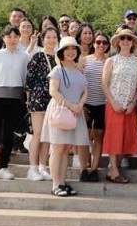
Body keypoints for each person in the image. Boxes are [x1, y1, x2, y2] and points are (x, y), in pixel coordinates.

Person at [40, 37, 90, 196]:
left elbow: (85, 91)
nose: (71, 51)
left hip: (75, 113)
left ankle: (62, 182)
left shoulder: (79, 71)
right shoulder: (57, 70)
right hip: (60, 111)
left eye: (73, 48)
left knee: (66, 148)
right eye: (67, 49)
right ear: (61, 52)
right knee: (57, 148)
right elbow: (53, 91)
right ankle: (56, 184)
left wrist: (80, 105)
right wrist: (71, 105)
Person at [0, 26, 30, 181]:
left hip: (15, 99)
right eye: (9, 36)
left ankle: (3, 166)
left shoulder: (24, 56)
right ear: (3, 38)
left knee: (9, 136)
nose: (12, 39)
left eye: (15, 36)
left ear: (19, 38)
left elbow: (25, 77)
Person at [102, 28, 137, 184]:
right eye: (122, 38)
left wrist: (134, 102)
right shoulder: (111, 60)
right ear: (118, 42)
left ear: (133, 42)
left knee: (126, 137)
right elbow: (104, 83)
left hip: (130, 106)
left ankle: (114, 168)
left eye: (129, 38)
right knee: (114, 136)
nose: (125, 41)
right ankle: (114, 170)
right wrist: (113, 103)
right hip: (114, 104)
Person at [25, 26, 60, 181]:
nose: (51, 40)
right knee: (38, 133)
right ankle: (32, 168)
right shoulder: (38, 56)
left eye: (54, 37)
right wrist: (28, 100)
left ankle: (43, 167)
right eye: (48, 37)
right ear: (42, 39)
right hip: (38, 98)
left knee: (47, 135)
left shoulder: (60, 57)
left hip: (54, 99)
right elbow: (29, 80)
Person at [77, 31, 110, 182]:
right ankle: (83, 168)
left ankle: (94, 169)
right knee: (84, 137)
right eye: (98, 42)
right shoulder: (85, 60)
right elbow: (78, 82)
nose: (101, 45)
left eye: (104, 42)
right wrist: (80, 104)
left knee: (98, 136)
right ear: (93, 44)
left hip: (103, 104)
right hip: (86, 103)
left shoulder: (110, 61)